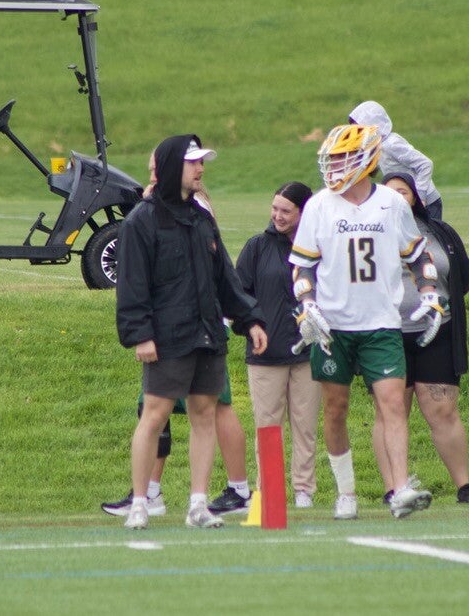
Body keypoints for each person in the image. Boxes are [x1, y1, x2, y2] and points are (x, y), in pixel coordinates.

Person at [115, 134, 267, 530]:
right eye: (193, 162)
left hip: (207, 336)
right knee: (154, 416)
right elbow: (132, 284)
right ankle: (139, 502)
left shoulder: (201, 219)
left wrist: (250, 319)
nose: (200, 169)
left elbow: (225, 278)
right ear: (172, 167)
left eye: (202, 162)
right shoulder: (142, 220)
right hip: (167, 338)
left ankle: (198, 504)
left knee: (204, 415)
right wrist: (141, 334)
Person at [289, 123, 436, 520]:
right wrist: (307, 304)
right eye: (333, 159)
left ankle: (401, 489)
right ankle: (346, 492)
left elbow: (417, 254)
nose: (335, 167)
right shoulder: (318, 205)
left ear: (367, 160)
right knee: (335, 409)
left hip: (381, 323)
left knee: (392, 404)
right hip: (333, 326)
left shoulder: (391, 203)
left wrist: (429, 292)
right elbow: (302, 266)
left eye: (343, 159)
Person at [373, 172, 469, 504]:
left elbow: (459, 276)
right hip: (387, 334)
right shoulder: (371, 231)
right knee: (390, 412)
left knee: (443, 410)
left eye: (403, 191)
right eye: (390, 192)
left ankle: (465, 487)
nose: (397, 197)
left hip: (438, 330)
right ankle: (394, 488)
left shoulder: (438, 231)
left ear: (415, 197)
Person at [348, 101, 469, 302]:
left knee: (434, 252)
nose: (356, 132)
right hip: (406, 203)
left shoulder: (392, 144)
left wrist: (420, 196)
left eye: (358, 127)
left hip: (424, 203)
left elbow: (425, 164)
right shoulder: (377, 147)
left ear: (374, 124)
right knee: (407, 248)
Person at [236, 182, 321, 508]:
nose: (277, 216)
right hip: (265, 355)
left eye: (286, 210)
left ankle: (304, 491)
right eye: (275, 209)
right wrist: (251, 325)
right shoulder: (257, 247)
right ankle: (271, 493)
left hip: (308, 353)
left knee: (305, 426)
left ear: (303, 212)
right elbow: (238, 296)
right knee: (268, 427)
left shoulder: (318, 247)